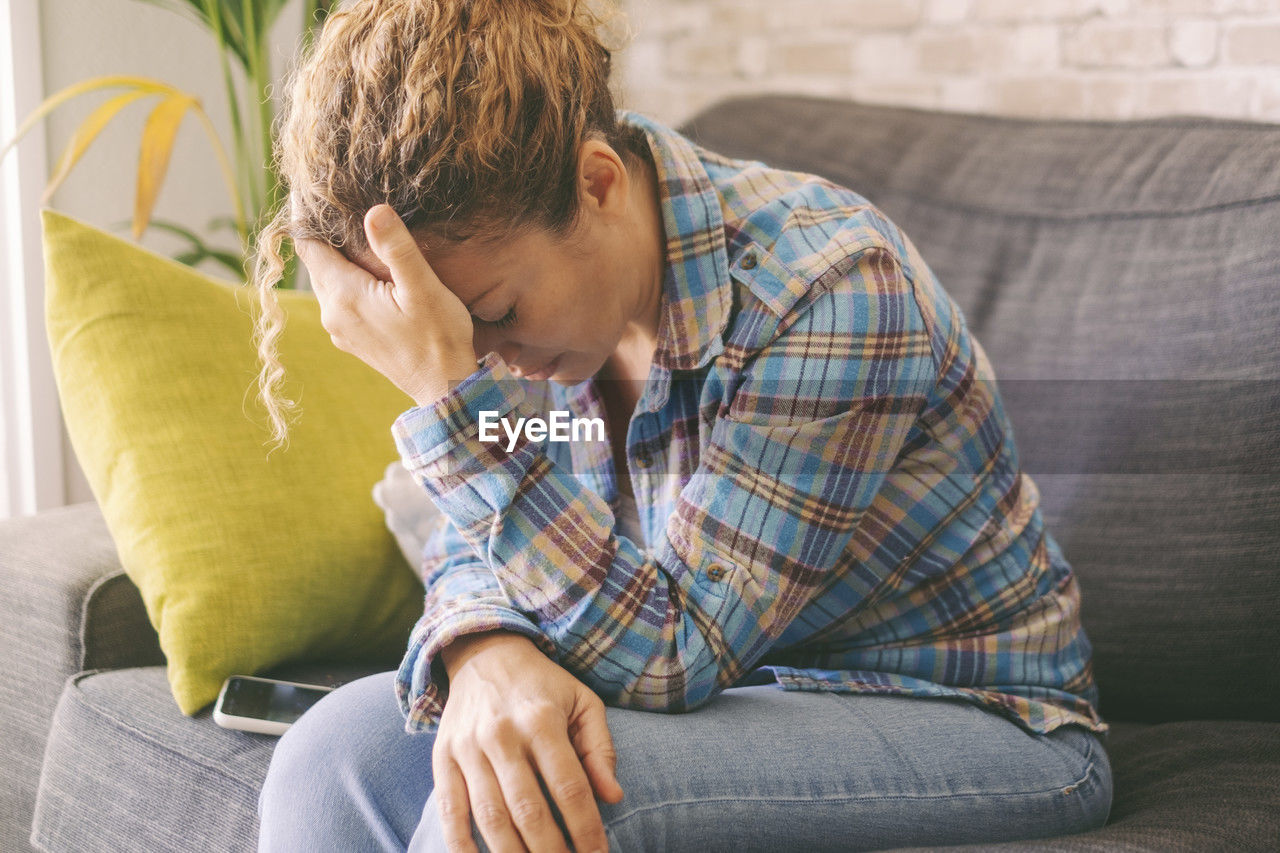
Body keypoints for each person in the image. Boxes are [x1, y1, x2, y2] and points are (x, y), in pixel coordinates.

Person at [250, 1, 1113, 851]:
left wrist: (448, 399)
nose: (491, 361)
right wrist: (486, 647)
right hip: (733, 692)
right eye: (457, 342)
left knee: (532, 803)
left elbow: (675, 651)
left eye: (495, 313)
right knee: (329, 760)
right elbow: (476, 528)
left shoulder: (831, 291)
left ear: (598, 184)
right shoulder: (544, 312)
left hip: (973, 719)